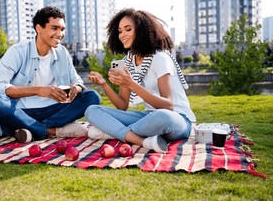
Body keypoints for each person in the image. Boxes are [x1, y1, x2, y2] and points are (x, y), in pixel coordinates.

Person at [0, 6, 101, 142]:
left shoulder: (62, 52)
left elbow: (78, 81)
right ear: (39, 28)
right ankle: (50, 131)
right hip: (21, 111)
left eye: (62, 29)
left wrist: (75, 88)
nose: (60, 34)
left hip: (54, 110)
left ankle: (29, 129)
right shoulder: (18, 51)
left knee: (92, 97)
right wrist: (38, 91)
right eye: (54, 28)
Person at [84, 8, 196, 153]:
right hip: (147, 117)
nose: (122, 35)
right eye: (119, 31)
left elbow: (168, 105)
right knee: (92, 110)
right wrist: (104, 84)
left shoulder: (160, 58)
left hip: (176, 119)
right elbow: (122, 105)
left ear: (141, 31)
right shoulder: (128, 62)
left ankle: (113, 131)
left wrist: (131, 84)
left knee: (162, 116)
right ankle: (141, 140)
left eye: (128, 29)